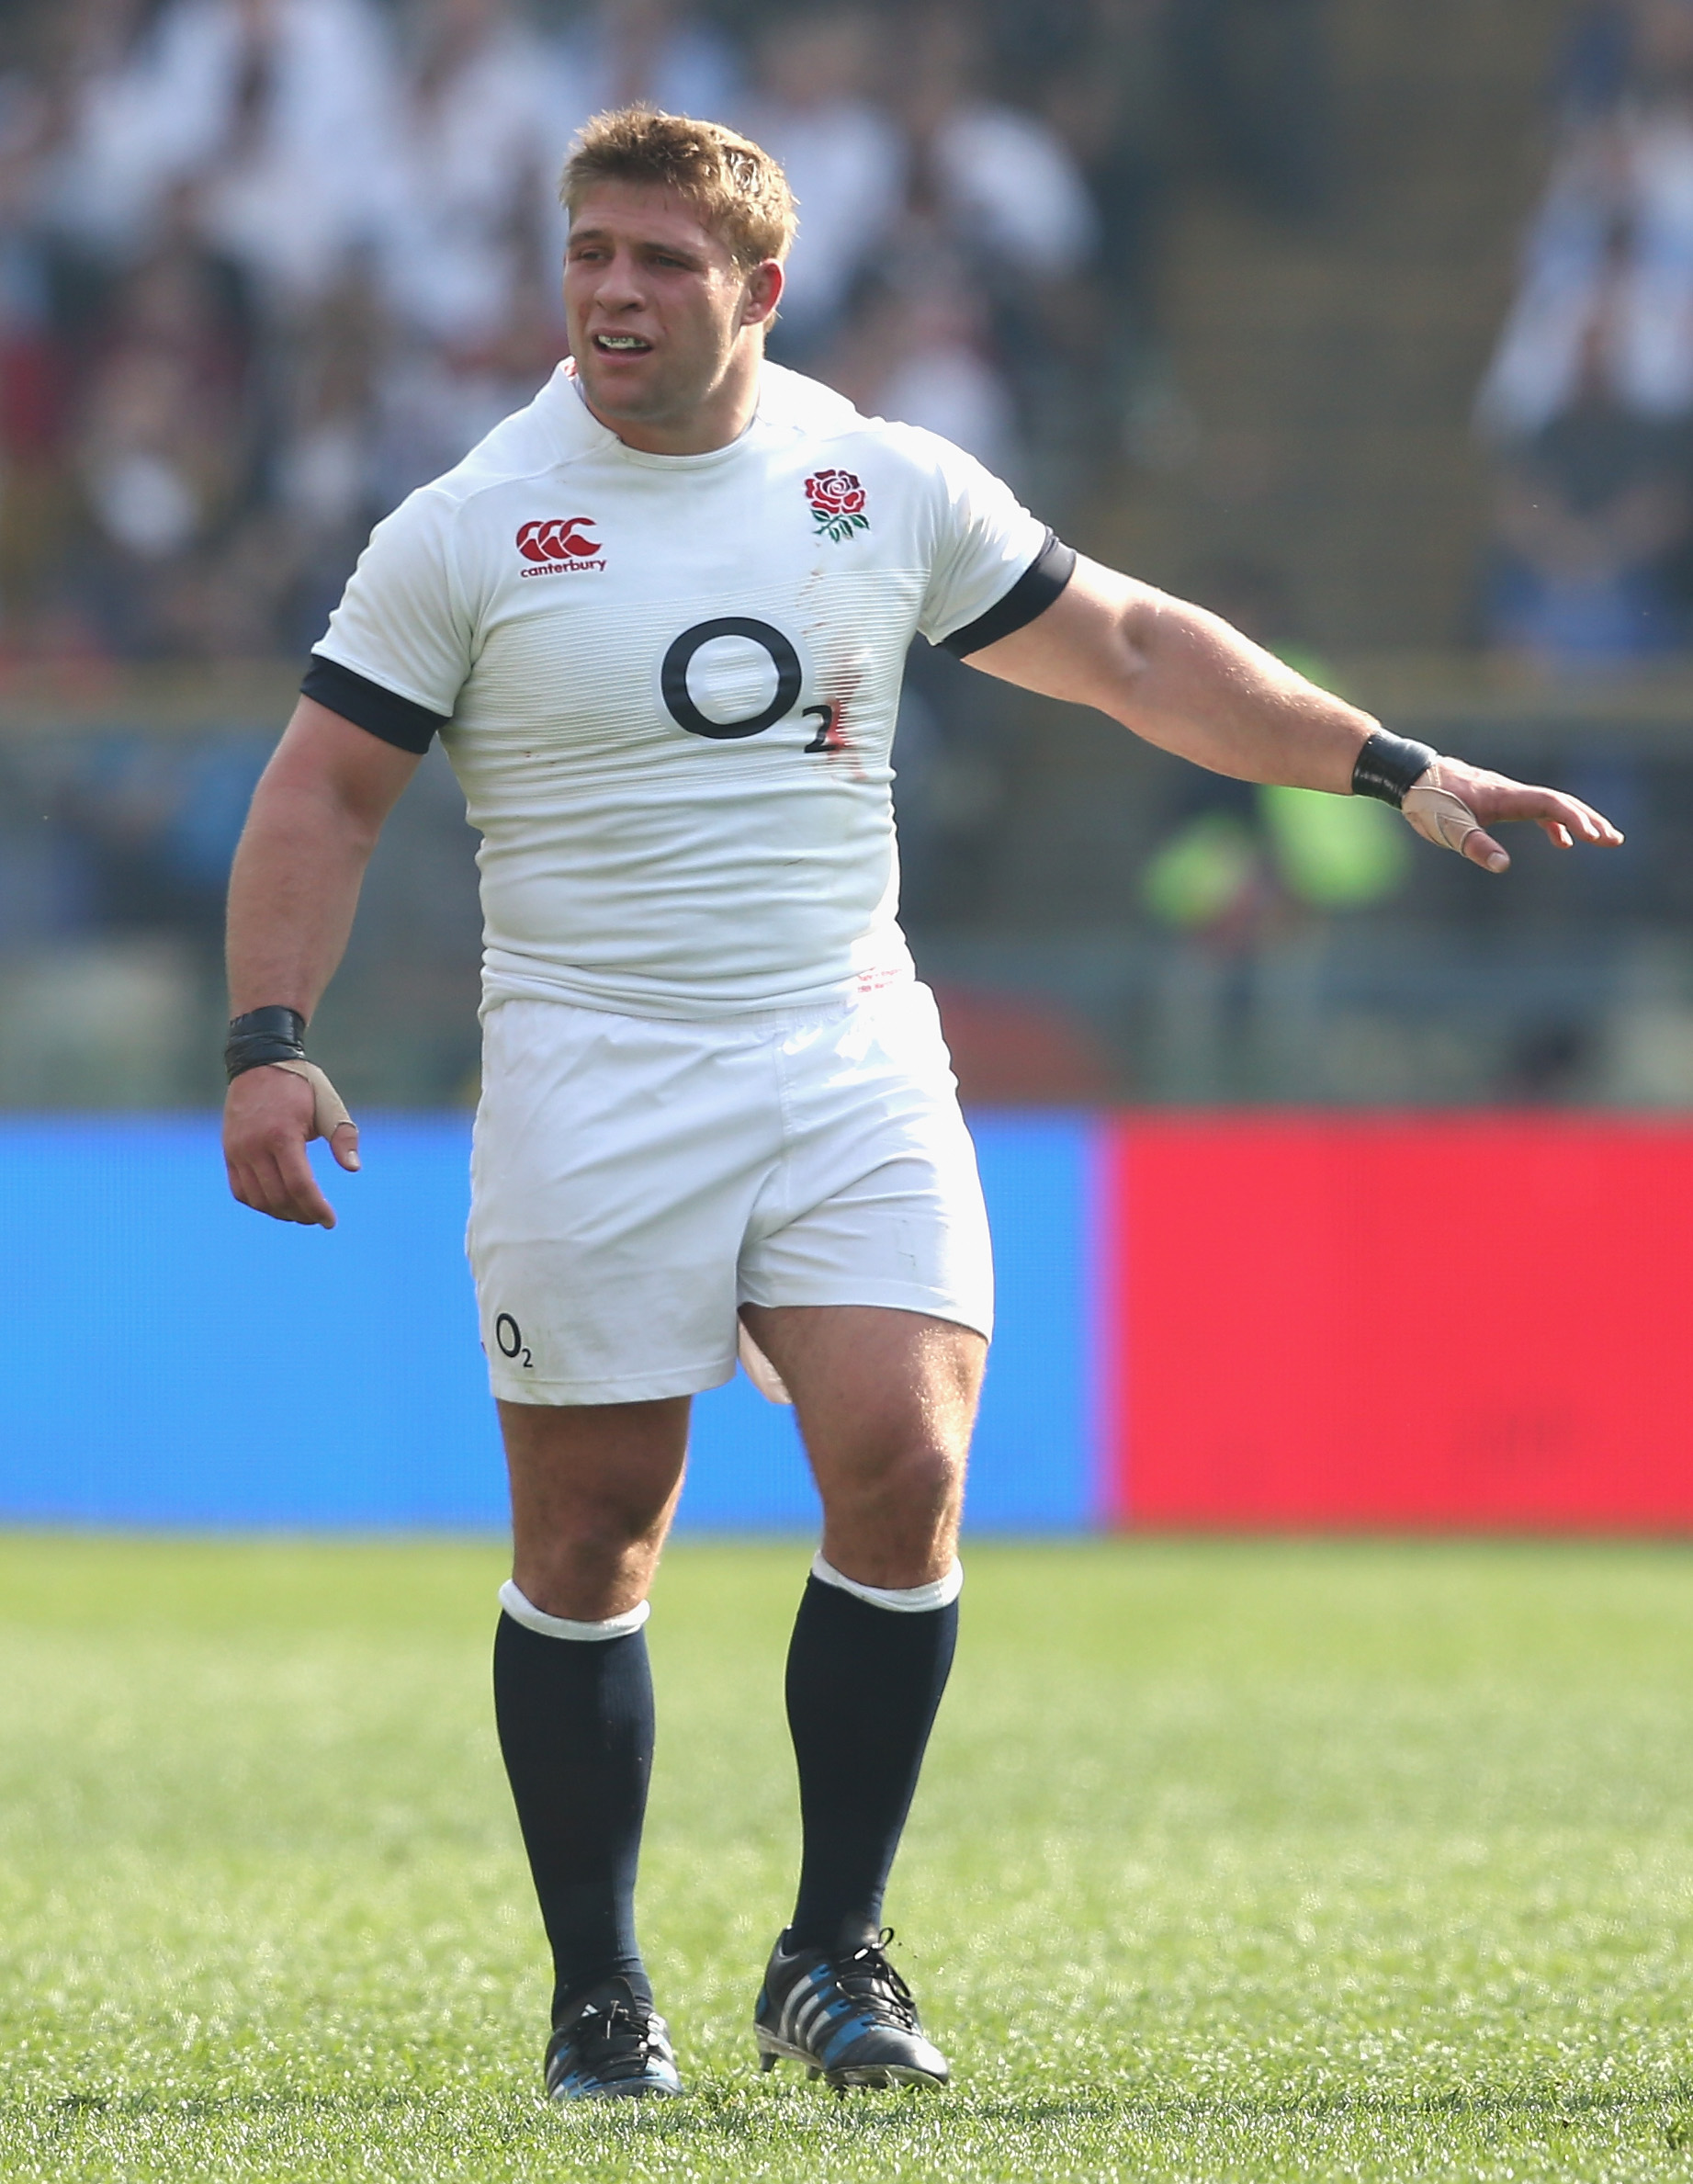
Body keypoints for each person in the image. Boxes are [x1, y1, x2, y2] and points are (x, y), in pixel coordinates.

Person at [220, 108, 1622, 2105]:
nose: (612, 292)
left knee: (904, 1457)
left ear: (759, 292)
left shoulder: (873, 481)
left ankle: (829, 1951)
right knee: (596, 1529)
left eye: (660, 263)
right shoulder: (468, 519)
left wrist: (1388, 765)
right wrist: (267, 1037)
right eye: (589, 255)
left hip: (840, 1048)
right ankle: (601, 1999)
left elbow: (1132, 647)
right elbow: (321, 792)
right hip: (590, 1066)